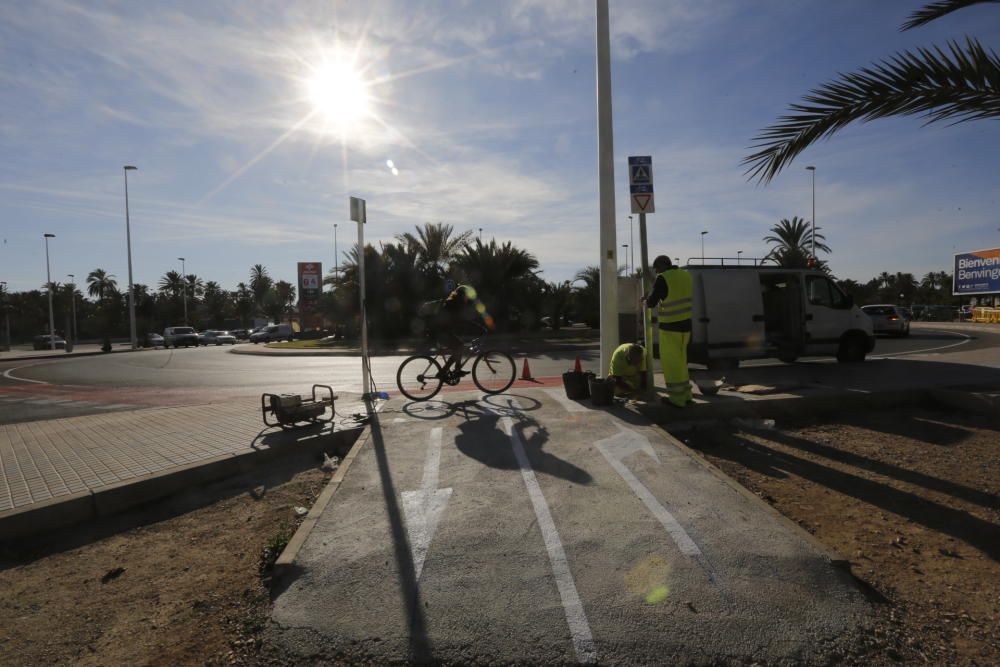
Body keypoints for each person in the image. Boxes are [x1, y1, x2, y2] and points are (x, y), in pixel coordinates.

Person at [644, 255, 693, 407]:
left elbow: (652, 303)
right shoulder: (686, 275)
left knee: (672, 365)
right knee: (682, 363)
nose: (657, 272)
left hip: (670, 328)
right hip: (686, 327)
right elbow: (672, 294)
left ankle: (677, 399)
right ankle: (686, 395)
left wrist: (645, 301)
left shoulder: (663, 278)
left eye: (657, 268)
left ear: (662, 266)